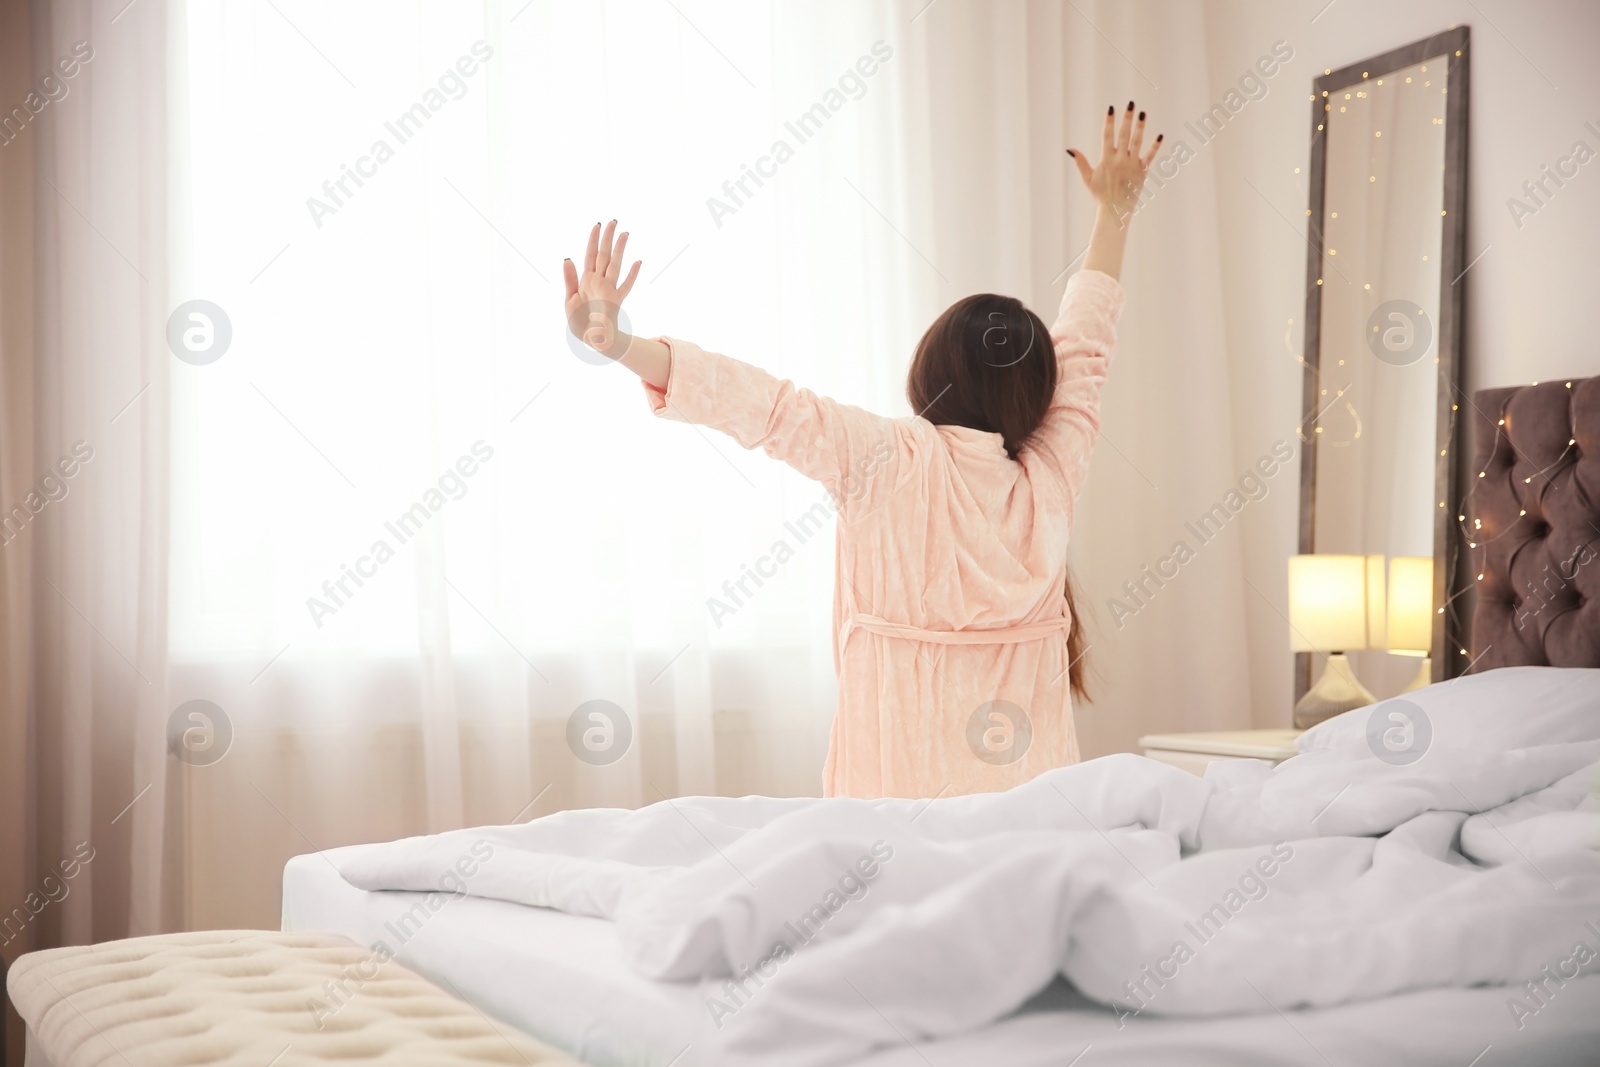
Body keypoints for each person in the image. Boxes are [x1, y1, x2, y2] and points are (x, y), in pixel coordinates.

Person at [563, 102, 1160, 799]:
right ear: (1035, 397)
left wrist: (619, 346)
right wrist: (1114, 214)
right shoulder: (1051, 474)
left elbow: (762, 404)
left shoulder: (889, 458)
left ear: (932, 370)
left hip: (889, 832)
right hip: (1035, 830)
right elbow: (1086, 346)